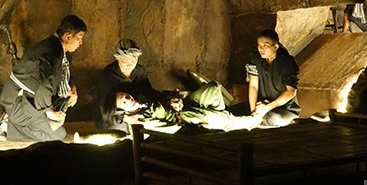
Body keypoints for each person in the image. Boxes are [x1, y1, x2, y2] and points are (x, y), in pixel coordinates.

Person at [0, 15, 87, 142]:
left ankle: (25, 120)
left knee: (63, 103)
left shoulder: (56, 47)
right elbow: (45, 84)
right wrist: (49, 112)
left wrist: (72, 88)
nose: (81, 43)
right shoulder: (51, 51)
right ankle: (9, 126)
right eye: (79, 38)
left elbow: (61, 74)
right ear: (68, 37)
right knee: (58, 135)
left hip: (30, 99)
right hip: (18, 100)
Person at [105, 82, 259, 132]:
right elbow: (168, 127)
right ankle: (249, 121)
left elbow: (160, 97)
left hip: (181, 105)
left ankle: (221, 115)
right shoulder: (137, 117)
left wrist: (173, 100)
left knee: (213, 88)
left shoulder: (141, 98)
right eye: (124, 103)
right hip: (183, 117)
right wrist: (180, 115)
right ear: (123, 110)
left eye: (125, 96)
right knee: (222, 118)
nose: (128, 99)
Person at [95, 39, 168, 132]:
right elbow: (104, 106)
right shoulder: (109, 74)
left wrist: (167, 99)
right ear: (118, 59)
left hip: (134, 110)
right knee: (119, 130)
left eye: (133, 60)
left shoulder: (139, 71)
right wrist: (125, 118)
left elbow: (148, 92)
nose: (129, 64)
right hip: (113, 117)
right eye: (125, 61)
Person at [242, 29, 300, 127]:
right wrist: (253, 112)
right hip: (260, 106)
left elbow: (290, 92)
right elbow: (253, 86)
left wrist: (266, 108)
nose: (261, 49)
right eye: (259, 45)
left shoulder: (287, 62)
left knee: (273, 119)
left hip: (284, 109)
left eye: (266, 45)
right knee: (234, 111)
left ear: (275, 46)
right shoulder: (255, 59)